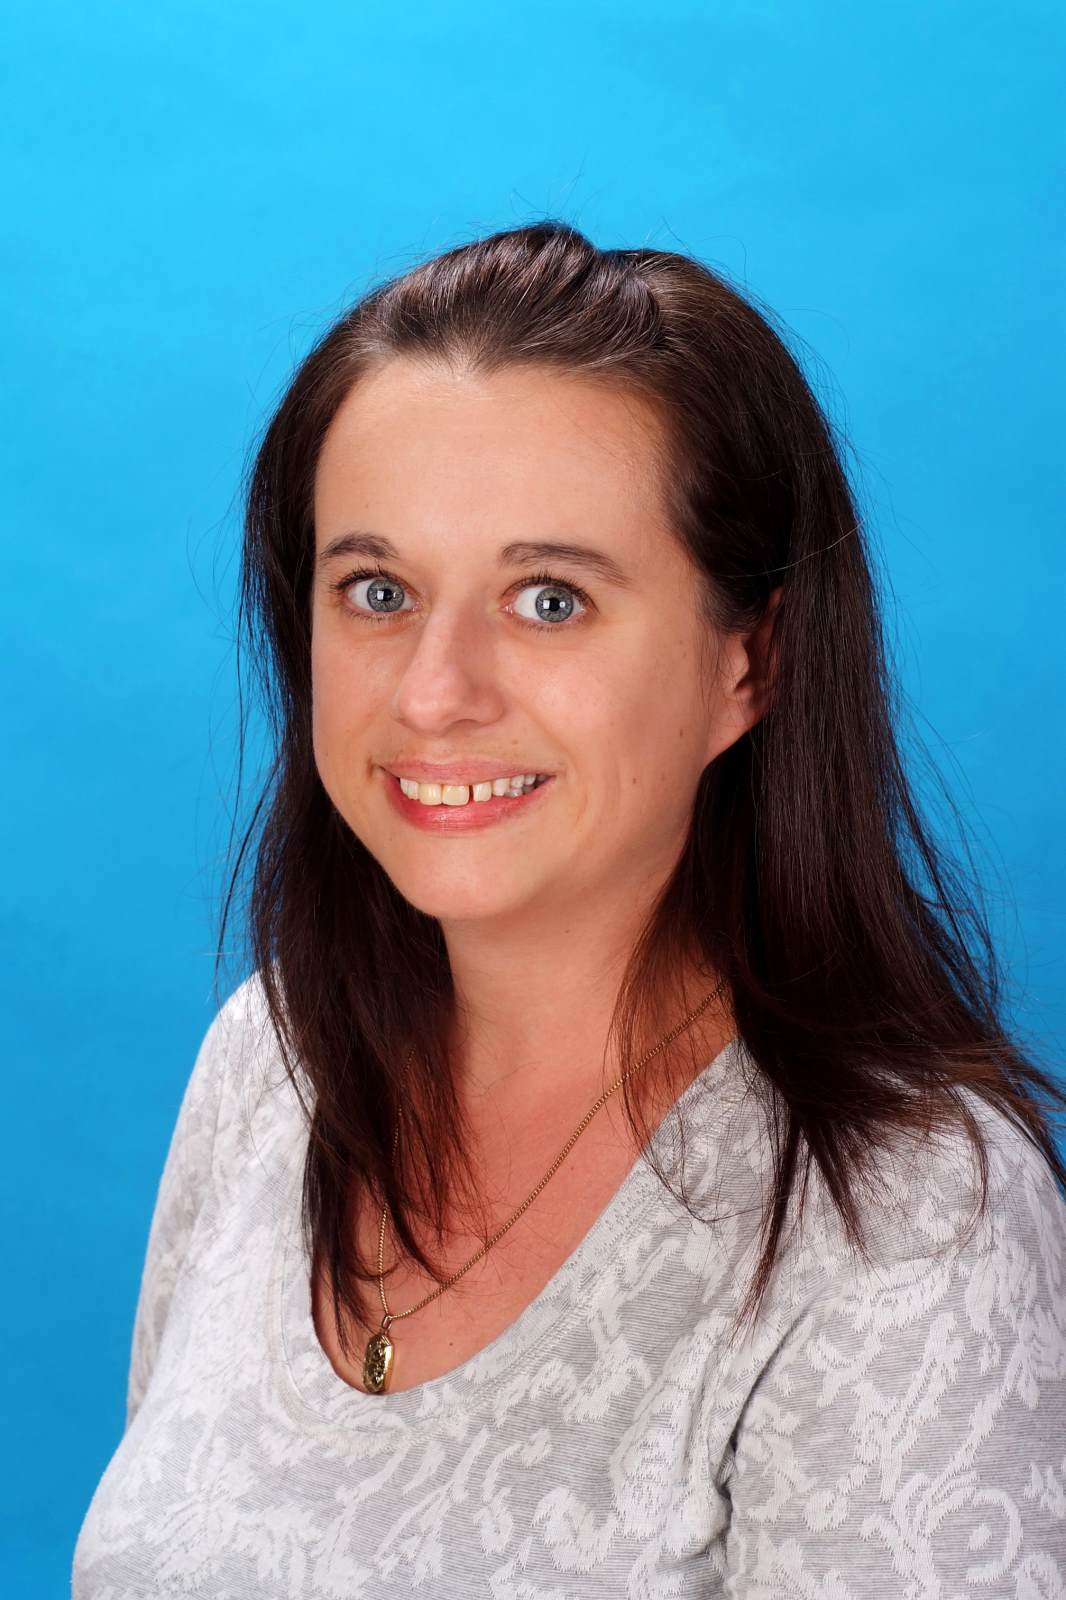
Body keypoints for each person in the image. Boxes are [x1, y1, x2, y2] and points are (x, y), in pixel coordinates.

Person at [73, 221, 1066, 1596]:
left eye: (550, 600)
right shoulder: (270, 1062)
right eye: (377, 591)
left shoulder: (905, 1224)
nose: (434, 693)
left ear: (749, 660)